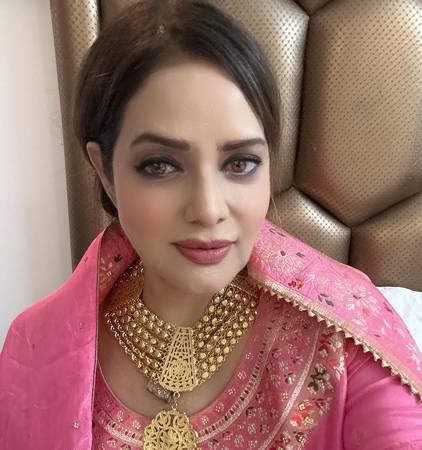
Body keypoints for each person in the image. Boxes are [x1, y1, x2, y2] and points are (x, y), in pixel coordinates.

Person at [1, 1, 421, 449]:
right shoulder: (35, 350)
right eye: (160, 165)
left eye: (240, 163)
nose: (208, 208)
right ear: (104, 171)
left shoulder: (348, 341)